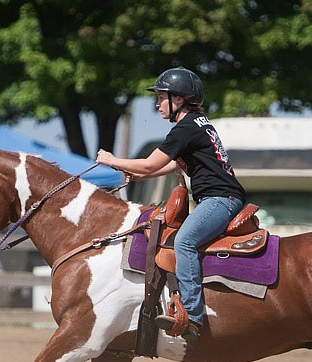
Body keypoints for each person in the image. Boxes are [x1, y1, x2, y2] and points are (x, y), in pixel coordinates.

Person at [96, 66, 246, 340]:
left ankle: (191, 314)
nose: (157, 103)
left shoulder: (185, 128)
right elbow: (168, 165)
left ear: (178, 99)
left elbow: (151, 162)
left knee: (184, 241)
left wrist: (111, 160)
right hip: (224, 198)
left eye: (161, 96)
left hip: (219, 200)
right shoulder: (199, 123)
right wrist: (139, 172)